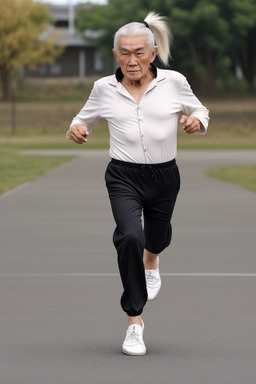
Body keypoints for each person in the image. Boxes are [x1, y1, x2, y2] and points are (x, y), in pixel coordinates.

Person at [66, 11, 209, 356]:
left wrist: (195, 121)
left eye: (139, 52)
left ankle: (153, 258)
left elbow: (200, 110)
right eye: (125, 53)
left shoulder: (174, 82)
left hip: (164, 176)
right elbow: (80, 119)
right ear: (116, 55)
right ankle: (134, 321)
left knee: (155, 237)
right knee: (130, 235)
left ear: (152, 52)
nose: (132, 61)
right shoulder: (104, 88)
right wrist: (75, 129)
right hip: (122, 176)